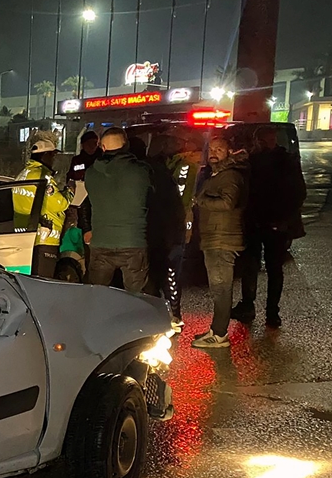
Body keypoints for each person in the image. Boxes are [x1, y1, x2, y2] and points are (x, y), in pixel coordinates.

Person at [232, 126, 306, 329]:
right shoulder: (287, 161)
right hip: (274, 224)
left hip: (259, 222)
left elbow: (295, 193)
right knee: (273, 269)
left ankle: (250, 307)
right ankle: (271, 313)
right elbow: (299, 193)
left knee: (253, 266)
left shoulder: (255, 162)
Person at [192, 135, 249, 349]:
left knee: (221, 288)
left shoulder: (230, 176)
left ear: (229, 152)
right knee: (218, 288)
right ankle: (216, 330)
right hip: (215, 238)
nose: (213, 153)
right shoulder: (217, 174)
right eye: (211, 149)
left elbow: (227, 203)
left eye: (219, 149)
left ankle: (219, 335)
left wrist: (199, 200)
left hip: (223, 240)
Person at [83, 126, 152, 292]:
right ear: (126, 145)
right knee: (136, 299)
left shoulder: (91, 173)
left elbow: (87, 203)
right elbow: (153, 199)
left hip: (101, 241)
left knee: (96, 295)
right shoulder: (142, 171)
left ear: (103, 147)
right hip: (133, 241)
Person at [144, 134, 187, 329]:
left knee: (158, 274)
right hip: (167, 231)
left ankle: (163, 315)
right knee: (168, 274)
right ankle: (173, 314)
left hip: (157, 231)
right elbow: (176, 205)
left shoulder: (150, 171)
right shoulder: (167, 170)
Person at [13, 132, 70, 278]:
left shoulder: (22, 174)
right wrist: (70, 191)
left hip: (23, 235)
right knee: (43, 282)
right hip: (45, 238)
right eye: (52, 156)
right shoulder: (43, 177)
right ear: (45, 156)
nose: (53, 159)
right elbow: (59, 204)